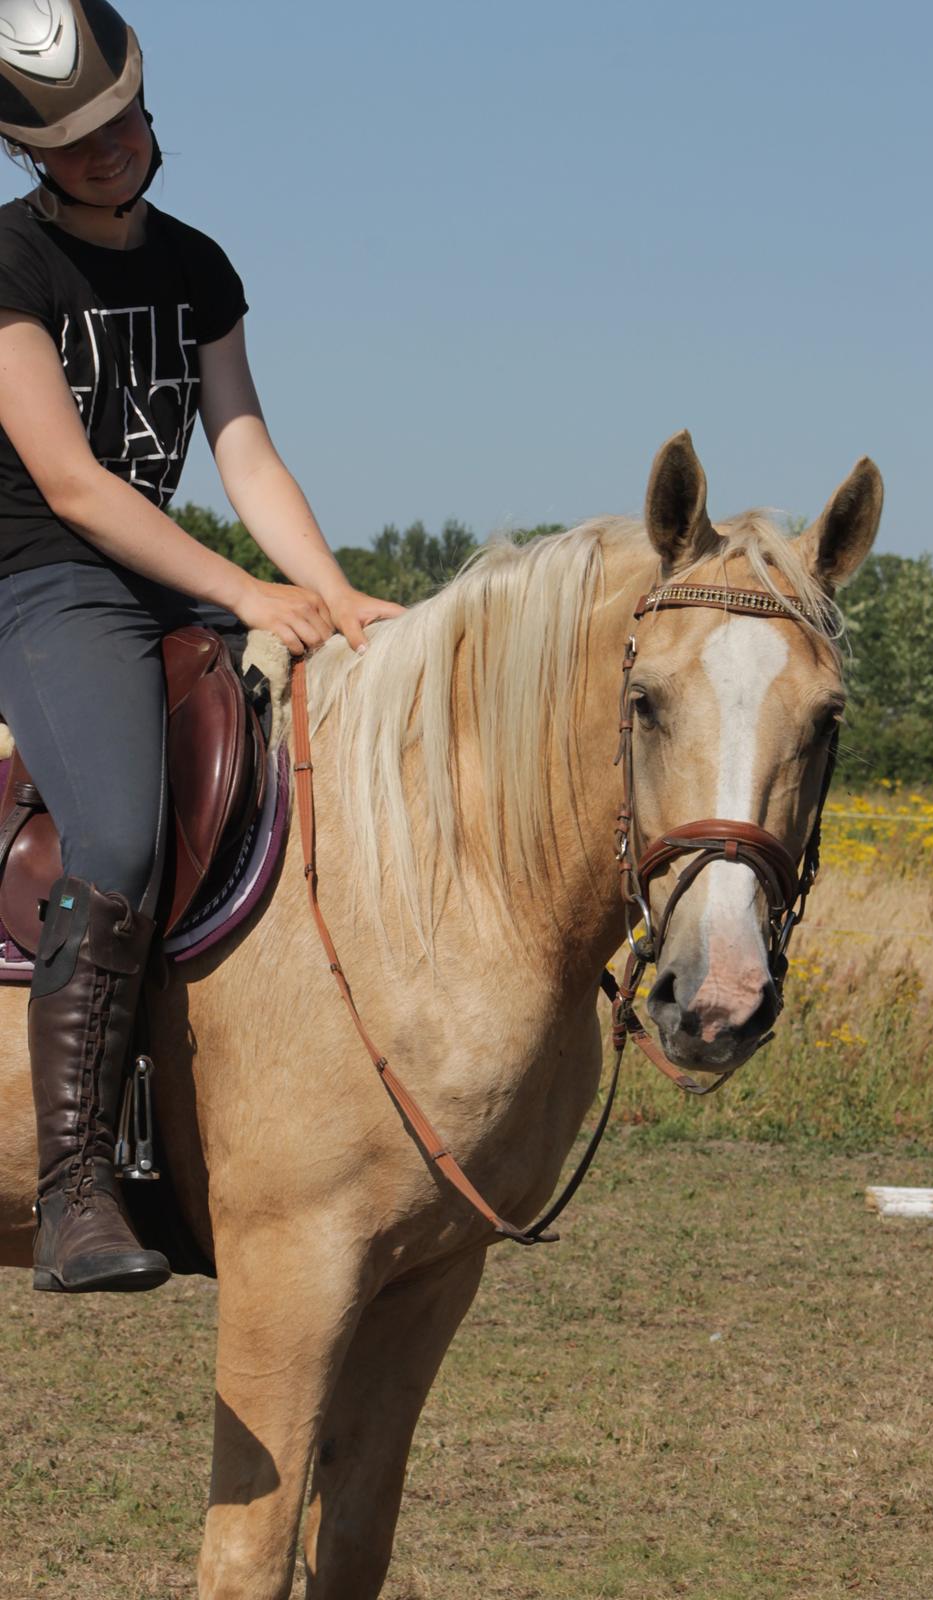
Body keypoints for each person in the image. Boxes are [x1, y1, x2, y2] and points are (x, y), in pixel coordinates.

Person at [0, 0, 402, 1295]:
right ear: (29, 154)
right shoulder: (11, 266)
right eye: (69, 138)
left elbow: (243, 449)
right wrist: (241, 585)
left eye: (114, 117)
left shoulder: (199, 268)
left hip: (163, 585)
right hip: (43, 585)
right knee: (116, 831)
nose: (104, 146)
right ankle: (73, 1190)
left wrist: (333, 598)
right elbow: (69, 482)